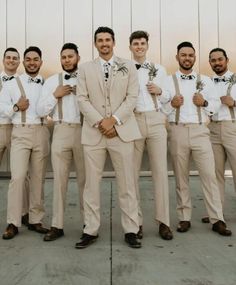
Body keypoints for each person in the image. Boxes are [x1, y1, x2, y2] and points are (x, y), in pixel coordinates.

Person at [76, 26, 141, 249]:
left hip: (121, 131)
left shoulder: (128, 65)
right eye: (100, 40)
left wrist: (113, 120)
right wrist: (100, 122)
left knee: (127, 183)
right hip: (94, 133)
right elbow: (82, 99)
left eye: (107, 40)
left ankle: (131, 229)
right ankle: (90, 229)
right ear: (95, 44)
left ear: (114, 42)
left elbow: (132, 97)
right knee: (91, 185)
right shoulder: (84, 68)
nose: (104, 43)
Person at [162, 41, 231, 236]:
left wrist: (205, 102)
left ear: (194, 57)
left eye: (190, 55)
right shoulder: (168, 81)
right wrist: (172, 106)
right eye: (183, 55)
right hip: (177, 131)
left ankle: (217, 219)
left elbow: (216, 105)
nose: (187, 58)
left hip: (201, 132)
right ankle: (184, 218)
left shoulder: (206, 80)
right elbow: (161, 107)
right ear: (177, 57)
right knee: (181, 177)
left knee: (209, 176)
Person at [36, 43, 85, 241]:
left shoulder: (87, 78)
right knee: (59, 181)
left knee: (85, 181)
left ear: (77, 57)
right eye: (63, 57)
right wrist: (55, 96)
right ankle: (57, 225)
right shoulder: (50, 82)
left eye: (70, 56)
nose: (67, 60)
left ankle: (89, 224)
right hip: (61, 130)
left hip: (84, 132)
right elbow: (40, 111)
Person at [0, 46, 50, 239]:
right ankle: (13, 222)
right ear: (24, 62)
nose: (31, 62)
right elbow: (2, 107)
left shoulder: (46, 83)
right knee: (18, 178)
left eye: (35, 59)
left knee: (38, 178)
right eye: (28, 59)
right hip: (20, 133)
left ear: (40, 62)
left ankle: (36, 219)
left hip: (41, 131)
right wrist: (15, 107)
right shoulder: (12, 84)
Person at [129, 30, 172, 240]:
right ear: (130, 47)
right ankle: (135, 223)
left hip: (155, 120)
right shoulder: (125, 69)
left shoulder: (160, 69)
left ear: (147, 46)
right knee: (132, 174)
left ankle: (163, 222)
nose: (139, 47)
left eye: (142, 43)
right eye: (135, 43)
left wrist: (160, 91)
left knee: (160, 171)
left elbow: (170, 98)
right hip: (133, 121)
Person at [200, 48, 236, 223]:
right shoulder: (206, 82)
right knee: (214, 174)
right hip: (213, 129)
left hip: (233, 128)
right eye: (213, 60)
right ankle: (217, 214)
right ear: (210, 63)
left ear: (227, 60)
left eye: (220, 59)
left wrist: (234, 103)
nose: (217, 63)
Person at [0, 47, 29, 226]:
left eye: (15, 58)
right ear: (3, 60)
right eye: (8, 57)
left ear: (19, 62)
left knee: (21, 173)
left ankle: (24, 213)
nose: (11, 60)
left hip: (17, 128)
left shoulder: (23, 82)